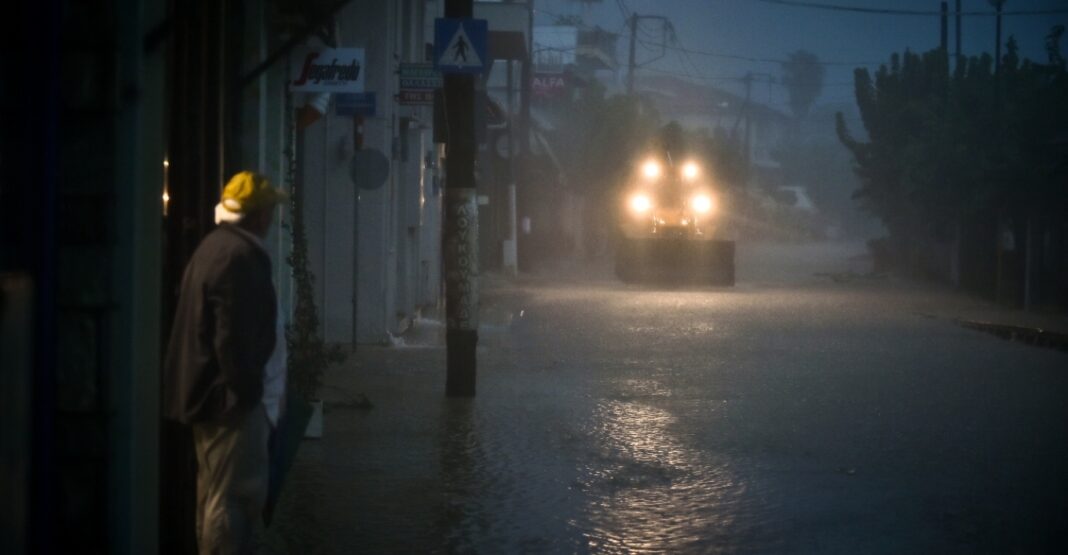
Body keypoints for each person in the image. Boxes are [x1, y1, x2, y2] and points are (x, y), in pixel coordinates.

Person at [164, 171, 288, 554]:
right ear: (255, 216)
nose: (270, 219)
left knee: (217, 497)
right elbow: (232, 338)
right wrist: (249, 396)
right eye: (267, 211)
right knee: (233, 501)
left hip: (217, 402)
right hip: (231, 408)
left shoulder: (216, 247)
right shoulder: (239, 257)